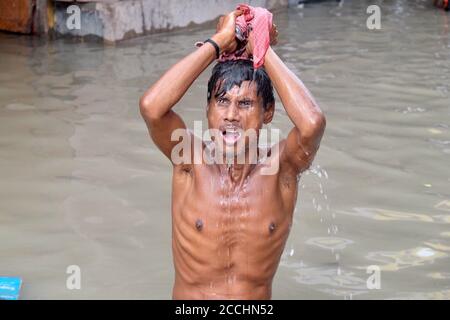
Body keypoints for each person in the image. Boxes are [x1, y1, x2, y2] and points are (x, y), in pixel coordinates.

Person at [139, 9, 326, 299]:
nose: (231, 115)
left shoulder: (282, 170)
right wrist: (219, 41)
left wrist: (262, 49)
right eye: (222, 101)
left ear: (268, 113)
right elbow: (152, 107)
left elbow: (312, 124)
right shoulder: (189, 161)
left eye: (246, 103)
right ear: (208, 110)